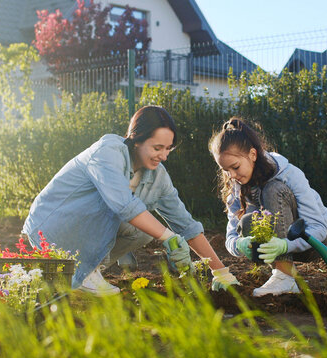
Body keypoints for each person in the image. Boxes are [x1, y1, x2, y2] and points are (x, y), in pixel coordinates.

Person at [22, 106, 239, 295]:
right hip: (50, 230)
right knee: (122, 207)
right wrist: (169, 238)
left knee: (145, 229)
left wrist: (220, 272)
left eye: (168, 149)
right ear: (136, 140)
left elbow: (186, 225)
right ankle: (81, 272)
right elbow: (124, 206)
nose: (163, 156)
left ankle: (88, 271)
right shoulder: (107, 152)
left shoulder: (157, 176)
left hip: (81, 236)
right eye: (157, 148)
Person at [209, 117, 327, 297]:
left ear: (252, 154)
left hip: (313, 244)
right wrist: (240, 244)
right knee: (247, 221)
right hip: (281, 246)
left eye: (235, 167)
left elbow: (320, 228)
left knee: (272, 189)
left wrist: (285, 245)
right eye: (226, 170)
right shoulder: (235, 189)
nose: (232, 175)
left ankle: (284, 277)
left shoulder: (289, 175)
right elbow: (230, 238)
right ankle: (284, 275)